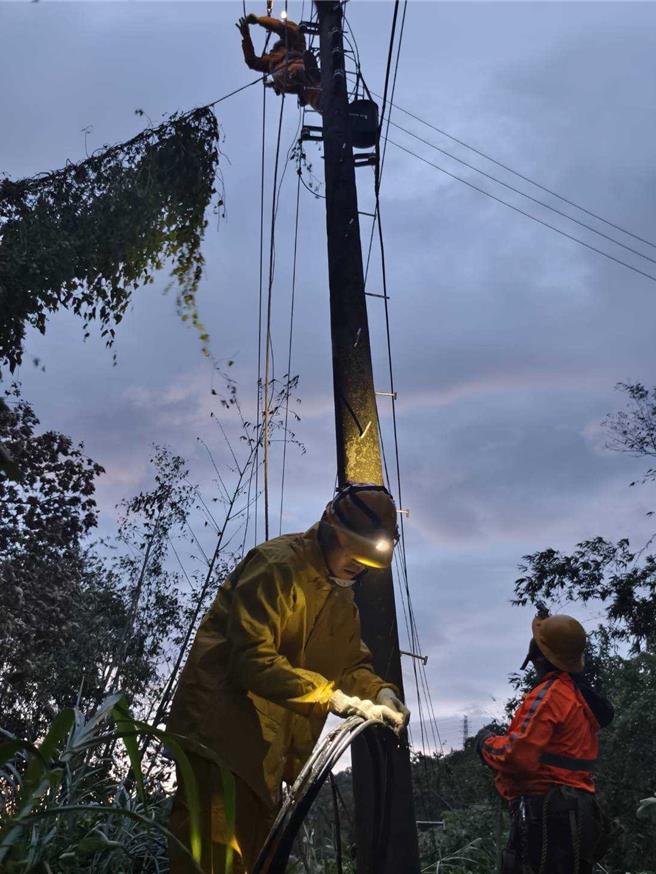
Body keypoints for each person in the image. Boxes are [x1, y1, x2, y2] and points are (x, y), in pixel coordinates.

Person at [167, 482, 410, 874]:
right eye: (353, 550)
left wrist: (379, 691)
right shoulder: (276, 566)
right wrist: (330, 697)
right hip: (218, 742)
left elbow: (350, 664)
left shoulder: (340, 596)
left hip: (267, 754)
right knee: (212, 859)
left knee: (258, 860)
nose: (358, 564)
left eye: (366, 558)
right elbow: (251, 659)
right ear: (330, 525)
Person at [475, 612, 614, 874]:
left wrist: (485, 744)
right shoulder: (576, 698)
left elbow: (517, 756)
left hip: (547, 817)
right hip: (575, 813)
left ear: (538, 658)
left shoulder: (548, 697)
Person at [237, 13, 321, 112]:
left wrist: (259, 20)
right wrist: (246, 36)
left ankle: (326, 107)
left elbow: (281, 28)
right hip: (286, 75)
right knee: (293, 71)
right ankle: (309, 74)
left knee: (313, 94)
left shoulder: (296, 41)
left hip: (294, 77)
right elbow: (252, 62)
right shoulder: (271, 59)